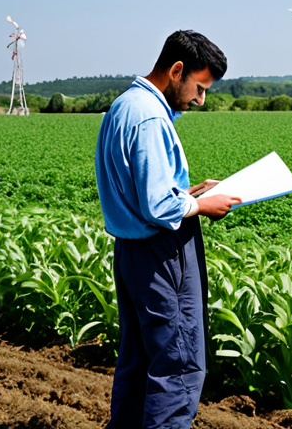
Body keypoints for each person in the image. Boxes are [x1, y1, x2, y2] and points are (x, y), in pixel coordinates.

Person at [95, 30, 241, 428]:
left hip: (130, 251)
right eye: (199, 87)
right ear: (176, 71)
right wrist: (201, 205)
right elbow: (159, 207)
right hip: (161, 256)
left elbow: (141, 192)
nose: (200, 99)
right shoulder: (150, 117)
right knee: (178, 365)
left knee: (139, 361)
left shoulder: (124, 106)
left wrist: (188, 193)